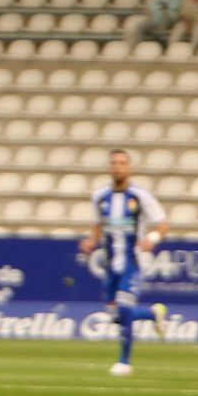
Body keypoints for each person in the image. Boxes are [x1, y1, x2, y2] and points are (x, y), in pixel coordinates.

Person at [77, 149, 168, 377]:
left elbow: (163, 223)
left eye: (122, 163)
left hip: (133, 261)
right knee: (115, 315)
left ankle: (124, 362)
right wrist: (91, 241)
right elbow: (99, 223)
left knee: (125, 307)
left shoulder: (140, 196)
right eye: (114, 163)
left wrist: (152, 238)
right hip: (110, 264)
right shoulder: (99, 196)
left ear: (129, 168)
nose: (117, 167)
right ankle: (153, 313)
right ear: (110, 168)